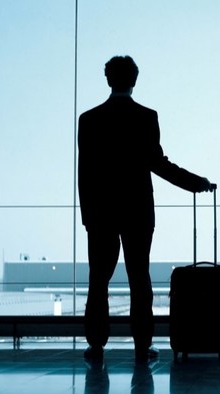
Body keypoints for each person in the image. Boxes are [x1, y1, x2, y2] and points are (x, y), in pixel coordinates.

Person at [79, 55, 212, 362]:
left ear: (108, 79)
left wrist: (88, 217)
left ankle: (96, 344)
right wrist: (196, 183)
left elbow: (85, 173)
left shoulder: (89, 119)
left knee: (98, 280)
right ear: (134, 80)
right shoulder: (146, 117)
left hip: (101, 214)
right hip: (137, 211)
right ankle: (142, 345)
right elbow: (159, 165)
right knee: (139, 277)